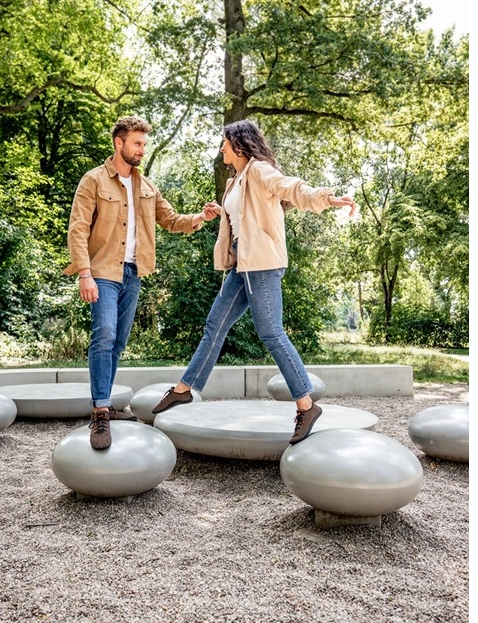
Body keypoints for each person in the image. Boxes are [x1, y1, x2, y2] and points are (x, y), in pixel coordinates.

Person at [150, 119, 357, 444]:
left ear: (238, 145)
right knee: (215, 325)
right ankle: (184, 389)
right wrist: (221, 211)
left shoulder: (259, 170)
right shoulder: (236, 180)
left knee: (271, 333)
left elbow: (291, 187)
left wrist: (326, 198)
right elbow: (242, 218)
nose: (221, 148)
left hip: (262, 265)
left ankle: (306, 406)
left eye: (224, 143)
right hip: (241, 266)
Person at [64, 116, 218, 450]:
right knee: (104, 334)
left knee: (118, 342)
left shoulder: (146, 186)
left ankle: (105, 403)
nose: (141, 150)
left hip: (133, 273)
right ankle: (100, 412)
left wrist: (200, 217)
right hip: (102, 271)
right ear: (118, 143)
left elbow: (170, 219)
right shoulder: (93, 181)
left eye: (144, 144)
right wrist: (84, 273)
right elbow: (78, 229)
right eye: (137, 143)